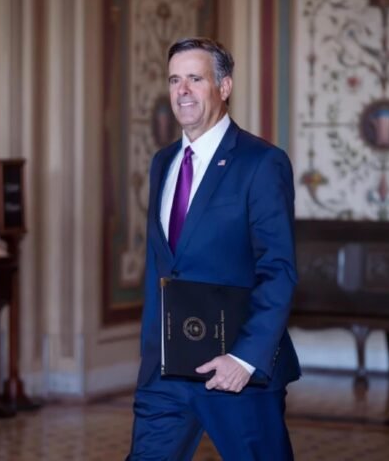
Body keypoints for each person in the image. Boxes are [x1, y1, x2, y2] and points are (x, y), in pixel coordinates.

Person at [127, 37, 300, 460]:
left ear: (224, 87)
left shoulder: (261, 163)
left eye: (195, 79)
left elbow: (278, 269)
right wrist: (151, 353)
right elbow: (165, 265)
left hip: (236, 371)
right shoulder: (163, 162)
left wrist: (245, 359)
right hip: (166, 374)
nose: (182, 91)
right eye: (174, 80)